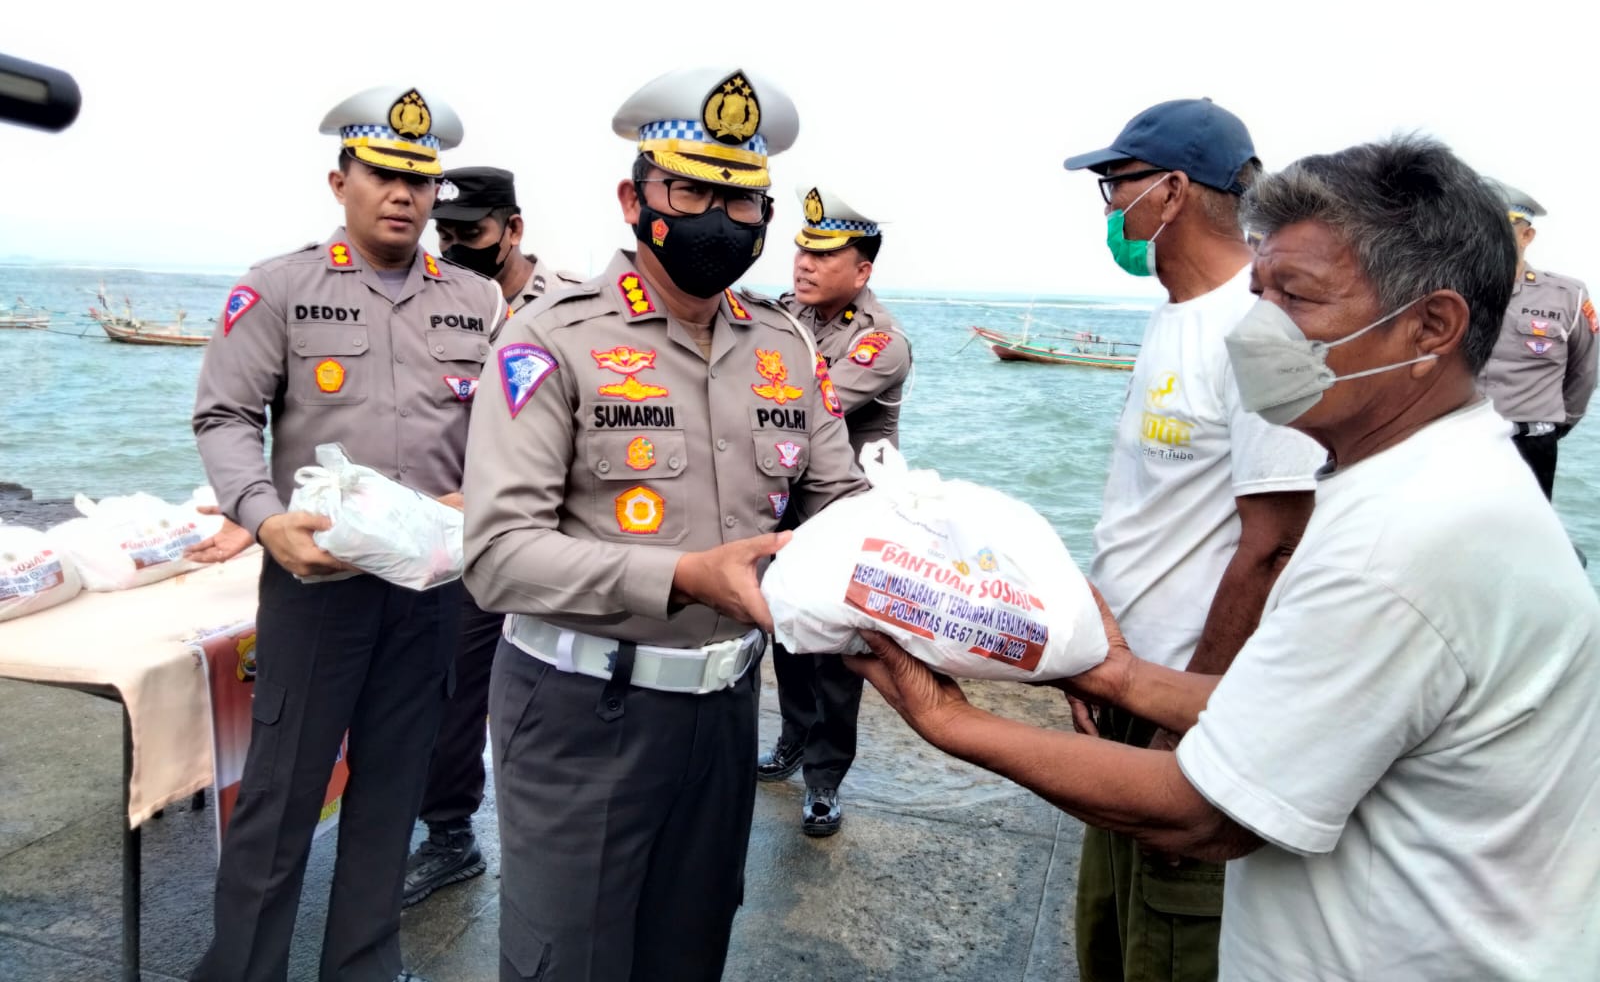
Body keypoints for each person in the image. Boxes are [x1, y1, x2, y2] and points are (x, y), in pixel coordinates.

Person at [852, 135, 1600, 982]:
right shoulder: (1421, 480)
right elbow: (1289, 703)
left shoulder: (1410, 539)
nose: (1259, 330)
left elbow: (1204, 816)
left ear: (1432, 324)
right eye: (1260, 293)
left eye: (1299, 298)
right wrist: (1119, 676)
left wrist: (947, 719)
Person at [461, 66, 868, 981]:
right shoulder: (550, 339)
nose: (720, 218)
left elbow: (841, 504)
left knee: (689, 952)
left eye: (743, 199)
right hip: (580, 710)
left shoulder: (785, 345)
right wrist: (681, 577)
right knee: (569, 960)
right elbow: (495, 559)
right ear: (633, 197)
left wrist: (947, 569)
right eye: (691, 190)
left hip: (725, 707)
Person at [190, 85, 505, 982]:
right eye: (383, 174)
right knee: (282, 799)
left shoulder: (478, 303)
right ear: (341, 180)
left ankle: (364, 968)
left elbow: (512, 435)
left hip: (430, 592)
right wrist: (260, 518)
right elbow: (224, 416)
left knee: (393, 794)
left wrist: (477, 499)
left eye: (420, 177)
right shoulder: (279, 288)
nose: (404, 192)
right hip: (316, 582)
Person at [1059, 98, 1324, 981]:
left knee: (1171, 949)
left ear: (1170, 192)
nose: (1108, 210)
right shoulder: (1177, 316)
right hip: (1131, 693)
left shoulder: (1262, 329)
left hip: (1188, 711)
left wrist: (1191, 732)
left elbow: (1278, 541)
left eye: (1114, 186)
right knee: (1110, 935)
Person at [403, 164, 583, 907]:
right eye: (443, 233)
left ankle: (573, 835)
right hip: (463, 532)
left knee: (562, 691)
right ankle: (450, 834)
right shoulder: (434, 301)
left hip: (553, 531)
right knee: (450, 685)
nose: (453, 247)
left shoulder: (573, 304)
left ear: (513, 230)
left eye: (469, 233)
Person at [756, 185, 911, 837]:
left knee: (838, 654)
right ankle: (792, 740)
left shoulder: (880, 342)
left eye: (824, 253)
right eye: (802, 248)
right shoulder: (783, 314)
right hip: (787, 506)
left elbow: (799, 407)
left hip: (847, 517)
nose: (804, 262)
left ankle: (824, 780)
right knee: (788, 632)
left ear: (863, 270)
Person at [1479, 181, 1597, 499]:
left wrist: (1553, 427)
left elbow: (1584, 374)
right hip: (1455, 440)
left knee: (1520, 543)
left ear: (1527, 235)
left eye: (1501, 226)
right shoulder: (1446, 292)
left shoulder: (1567, 297)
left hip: (1530, 447)